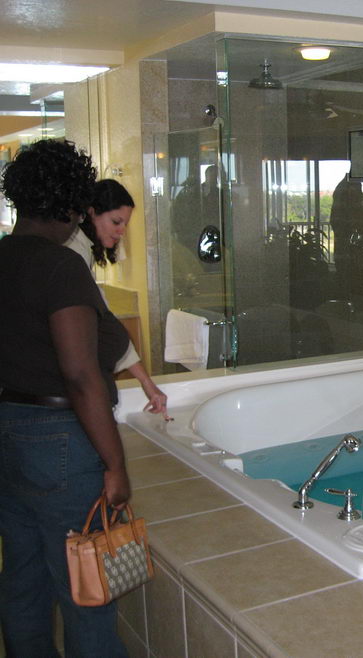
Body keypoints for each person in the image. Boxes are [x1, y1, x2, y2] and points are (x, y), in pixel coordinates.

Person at [0, 139, 130, 656]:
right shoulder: (59, 266)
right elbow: (80, 375)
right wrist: (114, 464)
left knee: (23, 576)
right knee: (85, 588)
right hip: (57, 439)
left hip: (7, 429)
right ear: (74, 205)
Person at [64, 179, 168, 418]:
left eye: (125, 224)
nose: (122, 231)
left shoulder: (83, 251)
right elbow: (103, 322)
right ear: (92, 213)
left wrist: (146, 382)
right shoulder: (72, 254)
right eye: (116, 222)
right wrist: (146, 382)